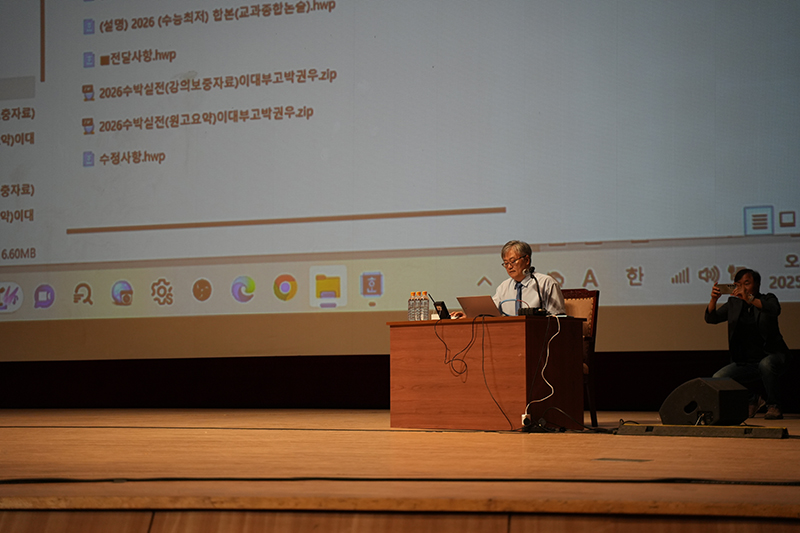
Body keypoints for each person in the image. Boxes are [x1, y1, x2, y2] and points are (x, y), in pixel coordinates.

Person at [705, 268, 790, 420]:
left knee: (766, 364)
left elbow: (774, 309)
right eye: (739, 284)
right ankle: (752, 399)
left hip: (773, 356)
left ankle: (774, 405)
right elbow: (712, 319)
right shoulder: (734, 303)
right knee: (719, 377)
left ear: (757, 284)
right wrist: (713, 300)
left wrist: (749, 298)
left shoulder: (768, 299)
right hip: (748, 362)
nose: (743, 288)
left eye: (747, 283)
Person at [453, 240, 565, 318]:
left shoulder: (545, 283)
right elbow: (490, 312)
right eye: (506, 263)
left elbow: (558, 319)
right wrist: (468, 316)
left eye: (512, 261)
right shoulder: (504, 287)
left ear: (527, 260)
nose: (509, 267)